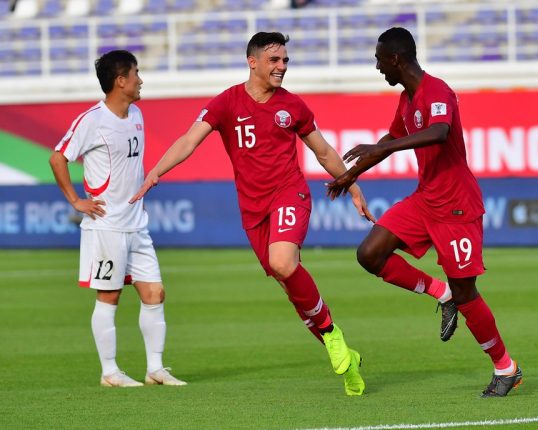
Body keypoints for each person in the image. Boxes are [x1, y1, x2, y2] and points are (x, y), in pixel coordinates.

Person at [129, 32, 371, 396]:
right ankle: (346, 358)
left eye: (285, 60)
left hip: (289, 194)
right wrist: (156, 172)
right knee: (290, 286)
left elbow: (322, 151)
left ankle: (332, 334)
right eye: (274, 60)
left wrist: (351, 185)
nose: (282, 67)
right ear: (252, 62)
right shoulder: (227, 102)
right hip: (253, 210)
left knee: (283, 262)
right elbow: (189, 140)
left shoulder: (293, 106)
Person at [326, 27, 522, 397]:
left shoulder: (437, 91)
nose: (378, 67)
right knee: (370, 254)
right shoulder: (407, 99)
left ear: (396, 59)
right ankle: (440, 292)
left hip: (457, 205)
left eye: (380, 60)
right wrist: (351, 174)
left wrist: (386, 147)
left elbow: (439, 132)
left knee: (467, 292)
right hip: (425, 199)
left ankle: (505, 367)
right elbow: (388, 140)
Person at [49, 50, 186, 387]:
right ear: (120, 80)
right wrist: (76, 201)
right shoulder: (92, 120)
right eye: (136, 74)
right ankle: (109, 372)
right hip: (106, 225)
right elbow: (58, 157)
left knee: (155, 293)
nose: (141, 80)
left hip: (136, 223)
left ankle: (155, 369)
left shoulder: (136, 113)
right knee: (109, 297)